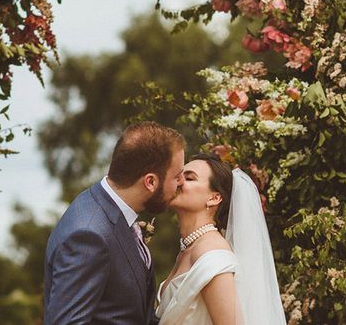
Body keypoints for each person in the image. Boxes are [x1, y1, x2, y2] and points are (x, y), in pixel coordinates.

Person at [43, 121, 185, 324]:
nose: (181, 183)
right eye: (177, 175)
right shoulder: (88, 235)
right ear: (151, 182)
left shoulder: (111, 210)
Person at [156, 154, 286, 325]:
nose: (179, 181)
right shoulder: (189, 248)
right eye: (179, 175)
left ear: (214, 198)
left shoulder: (212, 253)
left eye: (189, 178)